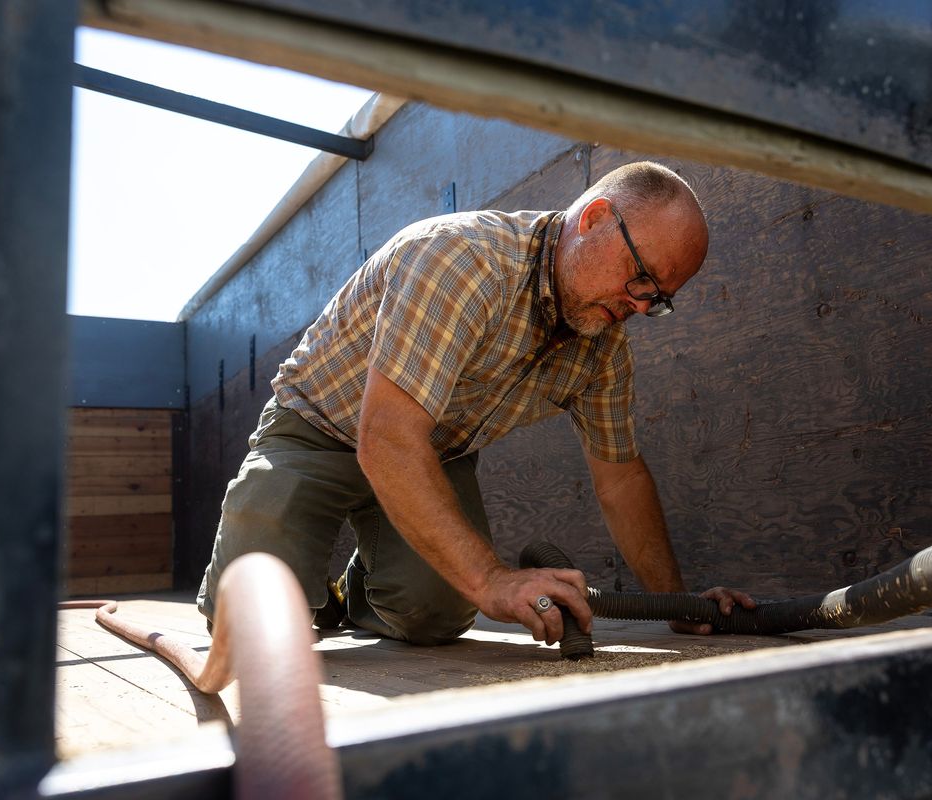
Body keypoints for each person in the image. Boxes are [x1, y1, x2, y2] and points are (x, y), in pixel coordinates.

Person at [197, 160, 755, 646]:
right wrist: (491, 578)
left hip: (431, 450)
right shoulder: (462, 260)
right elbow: (388, 438)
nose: (639, 305)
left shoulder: (602, 347)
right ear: (595, 219)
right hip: (320, 425)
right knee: (249, 625)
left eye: (657, 301)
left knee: (435, 616)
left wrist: (677, 606)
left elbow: (621, 482)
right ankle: (296, 578)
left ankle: (355, 594)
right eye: (641, 279)